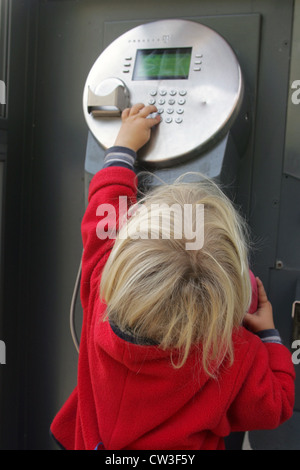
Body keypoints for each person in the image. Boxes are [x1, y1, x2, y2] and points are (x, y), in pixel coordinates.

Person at [50, 104, 295, 450]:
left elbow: (103, 213)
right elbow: (276, 404)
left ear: (125, 259)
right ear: (233, 292)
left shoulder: (101, 282)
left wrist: (123, 147)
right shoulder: (234, 354)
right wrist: (268, 335)